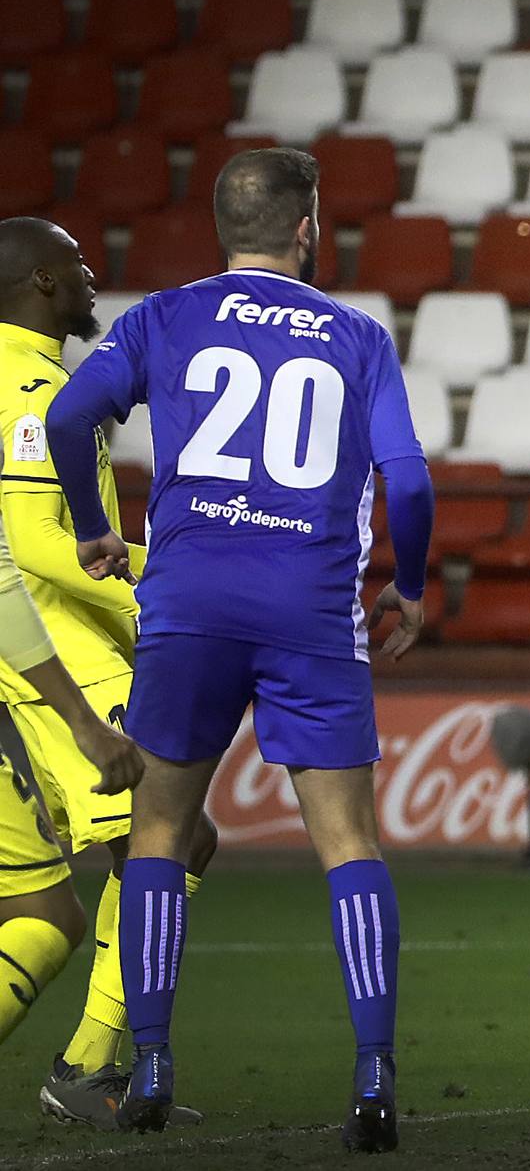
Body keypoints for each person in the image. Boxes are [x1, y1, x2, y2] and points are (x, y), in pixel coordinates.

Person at [42, 148, 434, 1150]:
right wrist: (415, 585)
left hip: (188, 607)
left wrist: (94, 524)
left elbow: (69, 413)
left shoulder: (161, 316)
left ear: (224, 227)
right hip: (309, 608)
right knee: (349, 843)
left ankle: (157, 1062)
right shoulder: (356, 336)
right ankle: (375, 1077)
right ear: (306, 227)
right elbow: (412, 483)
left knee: (161, 833)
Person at [0, 219, 221, 1130]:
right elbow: (32, 544)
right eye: (82, 265)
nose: (95, 279)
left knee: (42, 913)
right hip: (50, 654)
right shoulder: (24, 387)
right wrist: (148, 594)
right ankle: (88, 1069)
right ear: (44, 281)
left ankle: (88, 1065)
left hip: (25, 649)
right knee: (172, 840)